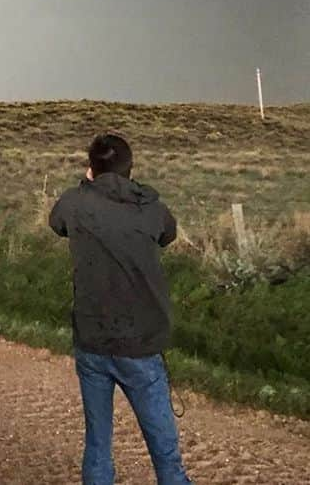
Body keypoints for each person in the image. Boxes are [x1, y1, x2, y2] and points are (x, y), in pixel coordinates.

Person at [50, 133, 193, 485]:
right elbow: (167, 234)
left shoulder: (75, 203)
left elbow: (57, 223)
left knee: (98, 443)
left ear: (91, 169)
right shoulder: (150, 208)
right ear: (130, 168)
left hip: (92, 340)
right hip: (141, 343)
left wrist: (86, 187)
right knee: (163, 447)